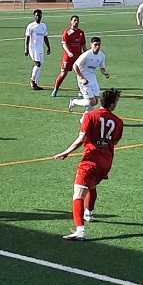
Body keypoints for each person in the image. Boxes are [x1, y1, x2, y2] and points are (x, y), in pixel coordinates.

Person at [53, 88, 124, 240]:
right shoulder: (118, 122)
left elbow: (82, 139)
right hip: (107, 162)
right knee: (91, 185)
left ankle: (80, 230)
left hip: (91, 160)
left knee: (78, 194)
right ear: (112, 105)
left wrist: (67, 151)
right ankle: (89, 213)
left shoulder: (90, 116)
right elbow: (115, 141)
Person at [68, 37, 110, 118]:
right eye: (95, 45)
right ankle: (74, 102)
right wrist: (82, 78)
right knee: (91, 102)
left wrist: (105, 73)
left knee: (95, 101)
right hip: (83, 79)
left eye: (99, 45)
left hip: (92, 79)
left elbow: (102, 68)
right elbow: (75, 65)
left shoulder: (101, 55)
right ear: (91, 45)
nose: (97, 47)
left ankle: (84, 119)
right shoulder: (86, 55)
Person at [52, 15, 87, 97]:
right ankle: (56, 89)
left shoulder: (81, 32)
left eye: (77, 20)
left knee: (80, 73)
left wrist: (86, 54)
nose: (76, 22)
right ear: (71, 21)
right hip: (68, 57)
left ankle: (80, 91)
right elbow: (64, 44)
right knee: (63, 74)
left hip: (78, 57)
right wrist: (68, 53)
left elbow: (83, 45)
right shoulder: (67, 32)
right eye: (74, 20)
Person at [24, 9, 50, 90]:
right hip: (33, 48)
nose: (38, 17)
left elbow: (45, 37)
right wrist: (26, 49)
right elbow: (27, 38)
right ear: (34, 16)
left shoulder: (43, 26)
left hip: (40, 48)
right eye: (36, 15)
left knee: (39, 65)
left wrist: (48, 46)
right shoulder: (30, 26)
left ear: (41, 16)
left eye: (39, 15)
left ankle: (36, 83)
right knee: (37, 64)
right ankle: (32, 80)